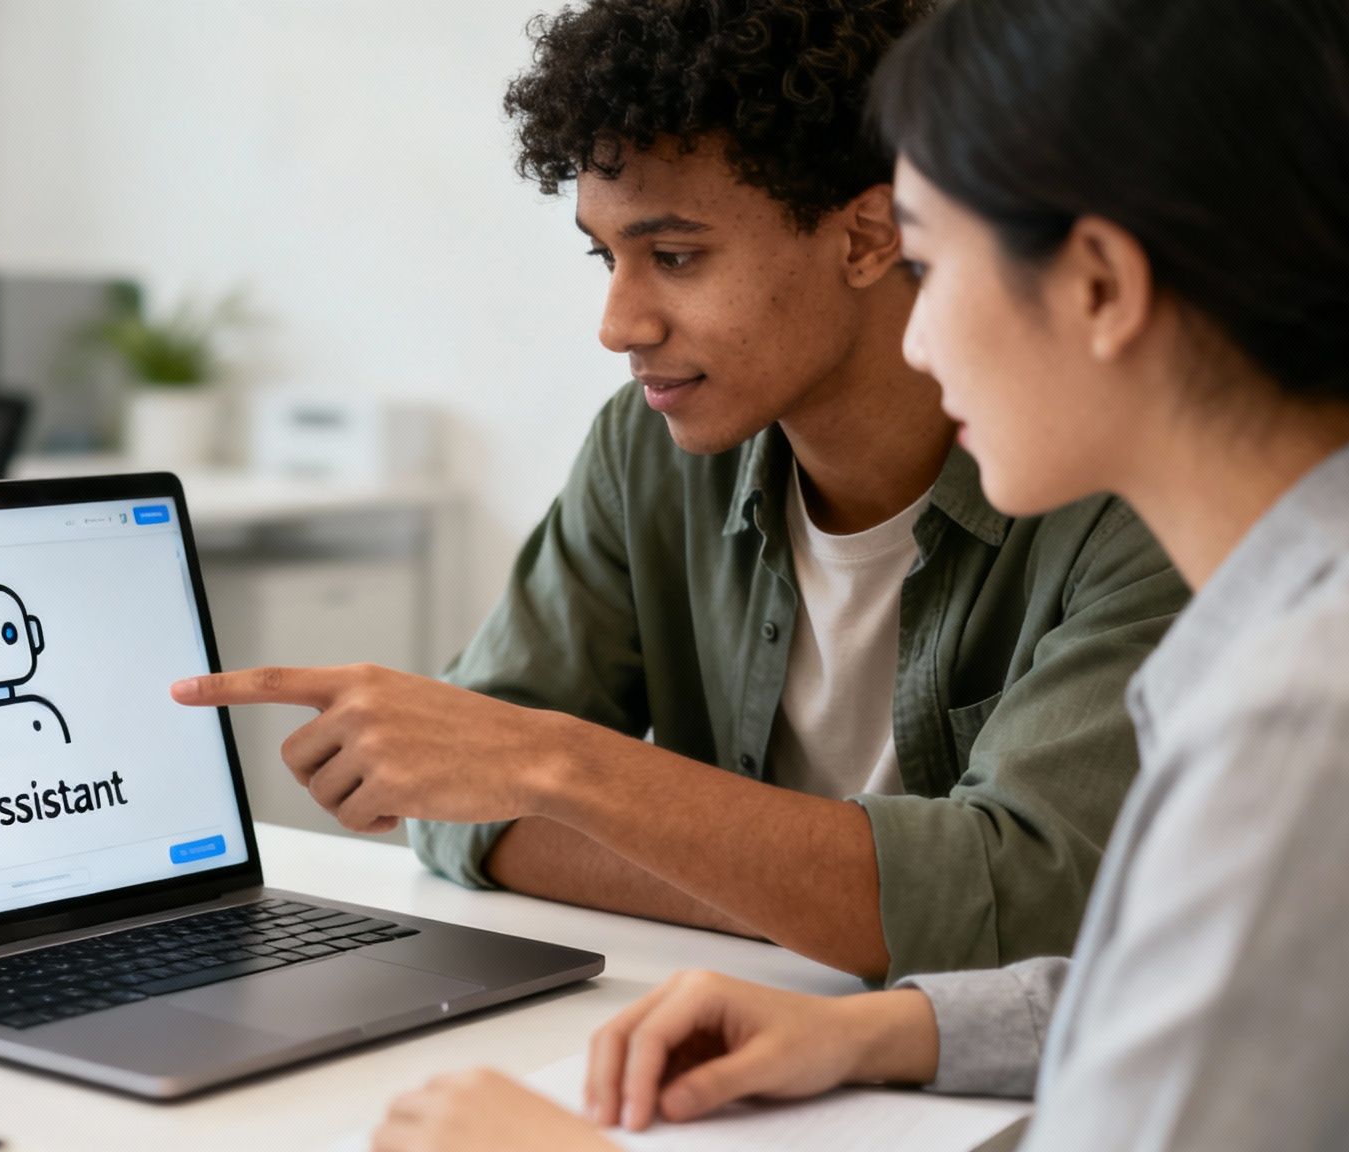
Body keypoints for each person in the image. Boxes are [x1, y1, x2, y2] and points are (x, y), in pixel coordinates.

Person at [363, 0, 1349, 1147]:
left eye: (933, 263)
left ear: (1097, 285)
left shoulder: (1316, 717)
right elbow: (1205, 990)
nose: (919, 340)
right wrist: (887, 1028)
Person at [172, 0, 1187, 985]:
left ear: (867, 237)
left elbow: (1023, 905)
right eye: (604, 256)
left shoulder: (1120, 488)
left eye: (673, 256)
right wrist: (836, 893)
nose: (617, 325)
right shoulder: (646, 448)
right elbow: (453, 801)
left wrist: (562, 774)